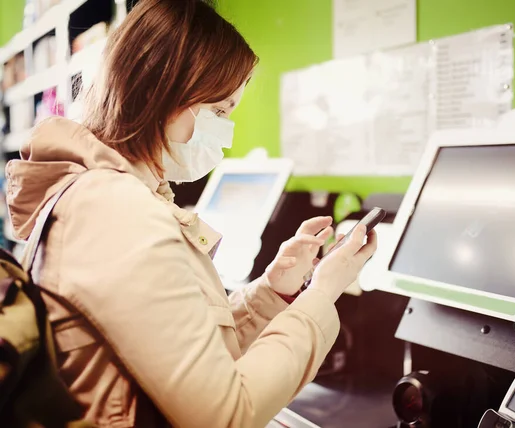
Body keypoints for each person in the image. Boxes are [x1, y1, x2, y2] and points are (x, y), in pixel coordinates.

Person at [5, 0, 377, 427]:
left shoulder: (108, 196)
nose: (227, 132)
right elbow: (225, 414)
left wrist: (274, 292)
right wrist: (320, 295)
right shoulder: (118, 214)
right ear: (162, 92)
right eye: (220, 111)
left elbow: (186, 353)